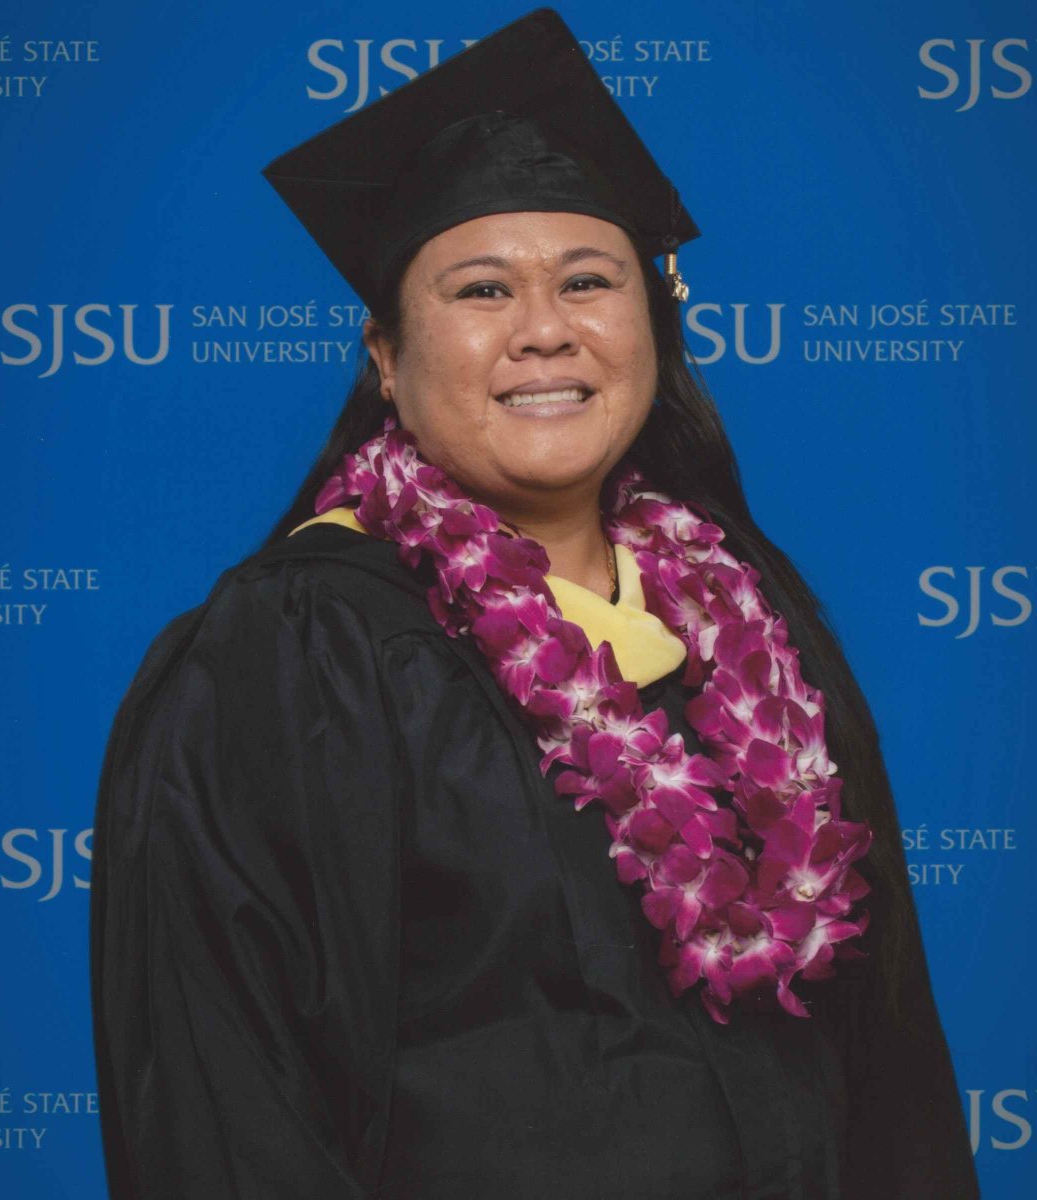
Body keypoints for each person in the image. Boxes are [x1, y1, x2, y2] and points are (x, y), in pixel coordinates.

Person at [89, 9, 979, 1198]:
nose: (546, 329)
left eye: (589, 280)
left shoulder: (749, 625)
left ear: (652, 327)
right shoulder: (299, 654)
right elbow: (227, 1106)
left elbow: (890, 1053)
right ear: (388, 359)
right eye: (481, 289)